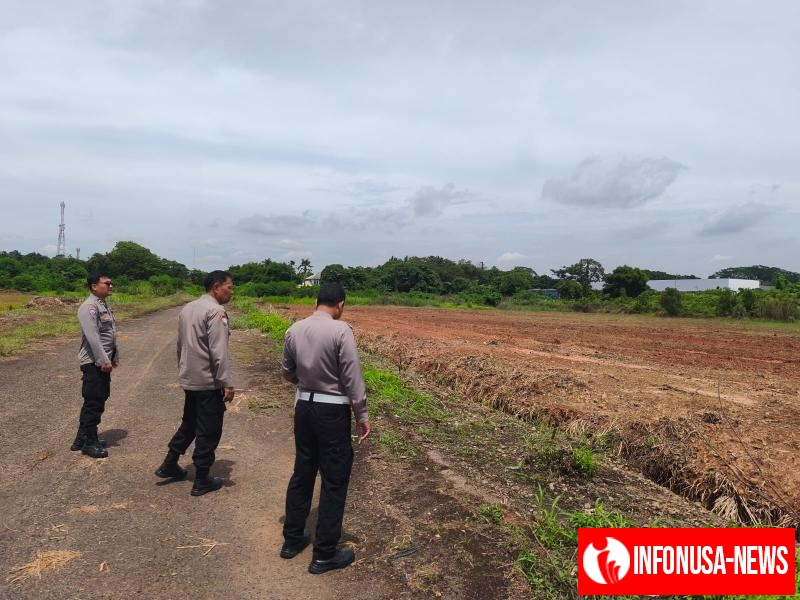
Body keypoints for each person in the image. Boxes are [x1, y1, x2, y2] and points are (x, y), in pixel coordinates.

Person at [279, 282, 371, 574]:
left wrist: (307, 385)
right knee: (334, 478)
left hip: (303, 407)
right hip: (332, 411)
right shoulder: (341, 330)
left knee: (303, 470)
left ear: (316, 301)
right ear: (340, 304)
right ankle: (324, 554)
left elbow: (287, 371)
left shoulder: (294, 329)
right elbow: (352, 375)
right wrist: (362, 413)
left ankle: (292, 540)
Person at [154, 270, 235, 496]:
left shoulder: (188, 308)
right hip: (209, 381)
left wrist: (183, 371)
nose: (231, 293)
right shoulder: (216, 311)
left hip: (190, 378)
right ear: (217, 286)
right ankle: (202, 480)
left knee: (190, 422)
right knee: (209, 430)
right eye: (229, 288)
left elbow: (180, 345)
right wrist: (226, 382)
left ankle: (170, 462)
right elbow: (219, 352)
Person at [71, 271, 119, 459]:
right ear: (94, 286)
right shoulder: (89, 307)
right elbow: (93, 337)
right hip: (94, 362)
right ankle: (89, 443)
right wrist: (103, 360)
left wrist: (114, 356)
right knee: (94, 401)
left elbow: (111, 334)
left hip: (102, 361)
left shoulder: (102, 305)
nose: (110, 286)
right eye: (107, 283)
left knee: (97, 399)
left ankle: (81, 438)